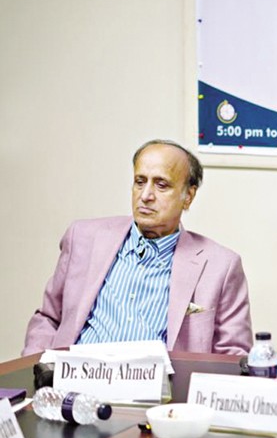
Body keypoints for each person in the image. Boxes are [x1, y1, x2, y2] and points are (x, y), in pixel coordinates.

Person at [23, 140, 252, 356]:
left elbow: (233, 356)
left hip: (162, 384)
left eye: (161, 185)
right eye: (140, 182)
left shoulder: (220, 266)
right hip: (76, 378)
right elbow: (48, 318)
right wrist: (38, 370)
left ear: (188, 197)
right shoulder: (83, 237)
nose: (146, 195)